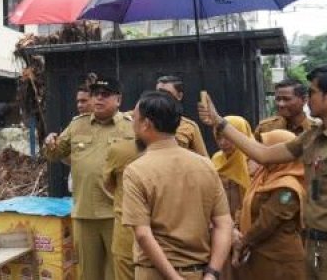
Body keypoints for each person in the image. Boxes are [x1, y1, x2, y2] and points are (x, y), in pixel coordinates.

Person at [198, 65, 327, 280]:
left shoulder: (287, 185)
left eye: (312, 92)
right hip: (313, 243)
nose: (309, 98)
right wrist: (219, 121)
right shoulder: (312, 137)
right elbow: (263, 154)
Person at [122, 90, 232, 280]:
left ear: (146, 124)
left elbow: (142, 234)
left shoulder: (136, 171)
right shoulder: (205, 165)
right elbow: (224, 224)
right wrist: (212, 273)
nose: (132, 124)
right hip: (201, 272)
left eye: (135, 119)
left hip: (156, 273)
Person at [44, 77, 134, 280]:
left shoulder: (131, 128)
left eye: (105, 94)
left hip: (118, 214)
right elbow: (55, 154)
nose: (98, 99)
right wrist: (49, 142)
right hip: (85, 214)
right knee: (88, 273)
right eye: (95, 94)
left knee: (119, 273)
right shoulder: (77, 125)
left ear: (118, 99)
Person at [234, 129, 306, 280]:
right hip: (259, 256)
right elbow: (245, 207)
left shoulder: (288, 187)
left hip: (280, 263)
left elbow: (267, 221)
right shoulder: (263, 177)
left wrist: (242, 242)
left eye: (268, 148)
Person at [211, 116, 253, 280]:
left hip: (248, 231)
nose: (223, 142)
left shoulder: (253, 162)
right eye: (218, 137)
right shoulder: (216, 160)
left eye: (228, 137)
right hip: (220, 228)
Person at [104, 138, 143, 280]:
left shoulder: (120, 150)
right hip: (167, 240)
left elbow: (108, 184)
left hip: (127, 232)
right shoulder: (193, 161)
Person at [156, 75, 208, 157]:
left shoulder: (189, 127)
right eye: (158, 93)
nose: (161, 97)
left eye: (167, 94)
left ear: (179, 96)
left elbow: (204, 160)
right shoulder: (144, 123)